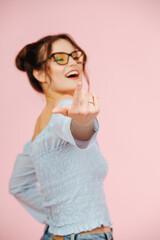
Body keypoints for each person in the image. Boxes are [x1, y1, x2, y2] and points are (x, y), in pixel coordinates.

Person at [9, 33, 114, 240]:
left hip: (55, 234)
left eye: (75, 55)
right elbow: (77, 133)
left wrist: (54, 214)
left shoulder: (39, 129)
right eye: (60, 58)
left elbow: (17, 185)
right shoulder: (64, 108)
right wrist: (83, 123)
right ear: (39, 74)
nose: (73, 62)